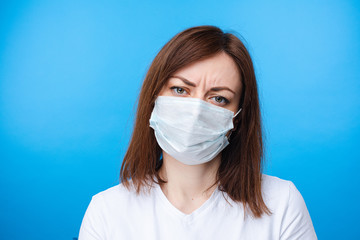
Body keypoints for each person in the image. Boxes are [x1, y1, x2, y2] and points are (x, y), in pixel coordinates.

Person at [78, 25, 317, 240]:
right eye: (180, 90)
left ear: (238, 117)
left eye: (219, 98)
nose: (196, 112)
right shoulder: (107, 211)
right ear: (153, 97)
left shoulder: (281, 203)